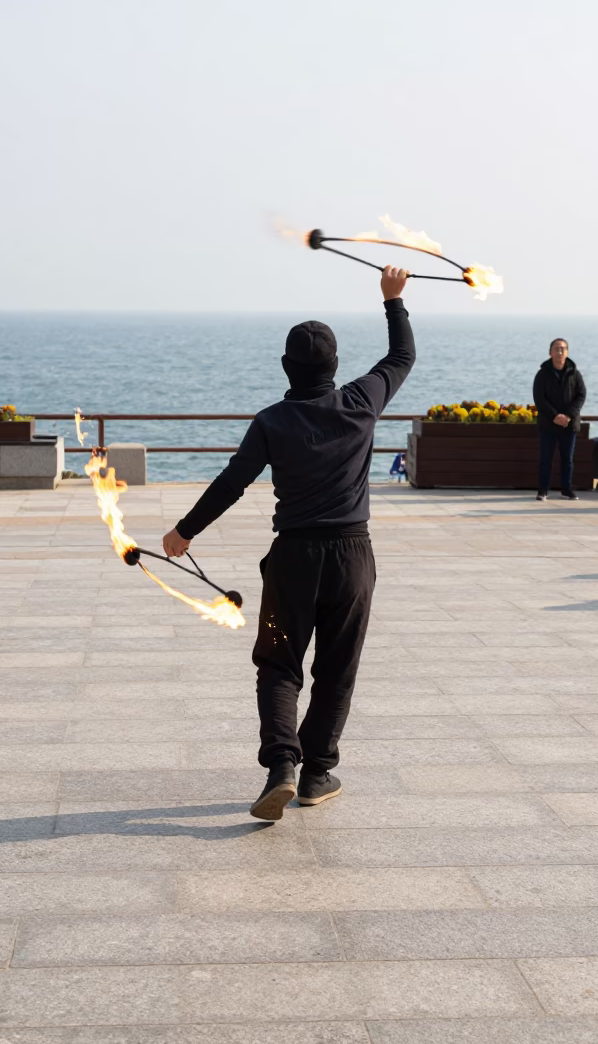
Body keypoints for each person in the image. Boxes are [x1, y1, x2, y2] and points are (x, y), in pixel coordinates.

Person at [162, 266, 415, 821]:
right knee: (337, 666)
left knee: (279, 665)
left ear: (285, 367)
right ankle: (317, 772)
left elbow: (232, 482)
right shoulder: (361, 401)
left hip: (293, 560)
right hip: (352, 558)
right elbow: (401, 357)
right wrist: (393, 300)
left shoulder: (272, 421)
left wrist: (184, 532)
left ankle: (281, 765)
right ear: (335, 366)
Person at [532, 338, 587, 501]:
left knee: (567, 460)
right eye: (556, 349)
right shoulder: (542, 374)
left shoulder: (575, 373)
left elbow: (581, 395)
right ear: (550, 353)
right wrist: (555, 416)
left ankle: (567, 489)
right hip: (549, 424)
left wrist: (568, 415)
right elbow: (539, 398)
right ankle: (543, 490)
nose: (560, 352)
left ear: (567, 352)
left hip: (569, 425)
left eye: (563, 349)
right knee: (546, 459)